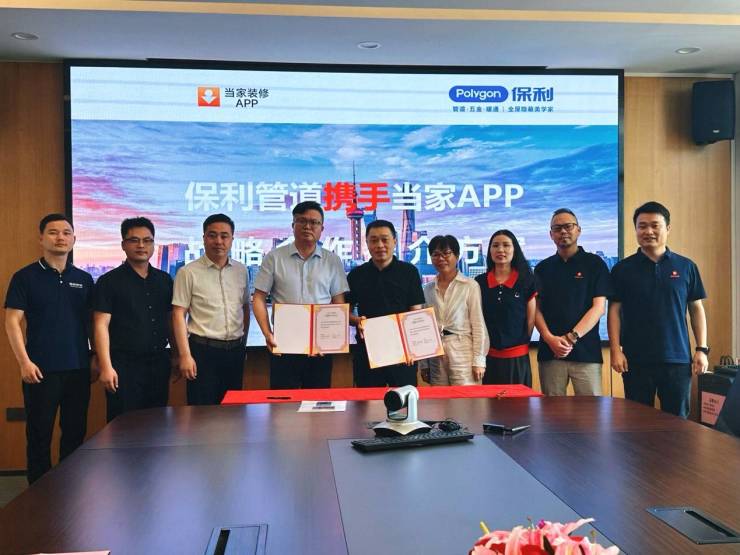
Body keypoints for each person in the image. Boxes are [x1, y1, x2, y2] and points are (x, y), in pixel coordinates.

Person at [4, 213, 95, 483]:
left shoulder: (84, 279)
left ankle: (69, 490)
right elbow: (12, 321)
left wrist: (95, 358)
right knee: (39, 436)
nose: (60, 238)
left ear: (74, 239)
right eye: (53, 232)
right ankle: (38, 493)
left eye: (66, 233)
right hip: (39, 370)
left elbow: (92, 324)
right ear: (41, 239)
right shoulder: (25, 277)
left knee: (75, 434)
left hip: (78, 369)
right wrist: (24, 362)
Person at [609, 201, 708, 418]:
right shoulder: (622, 269)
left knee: (677, 424)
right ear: (636, 229)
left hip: (677, 359)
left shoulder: (686, 267)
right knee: (636, 422)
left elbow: (696, 309)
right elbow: (614, 311)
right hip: (635, 360)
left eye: (655, 225)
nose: (648, 231)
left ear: (667, 228)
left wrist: (702, 349)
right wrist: (615, 349)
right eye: (642, 226)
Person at [253, 201, 348, 389]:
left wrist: (330, 340)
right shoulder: (274, 258)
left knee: (318, 403)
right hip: (283, 346)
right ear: (293, 225)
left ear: (322, 228)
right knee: (283, 403)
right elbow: (258, 298)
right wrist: (267, 333)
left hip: (320, 349)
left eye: (314, 222)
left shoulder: (332, 261)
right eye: (302, 221)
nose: (307, 226)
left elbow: (338, 304)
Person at [93, 217, 174, 422]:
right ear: (123, 245)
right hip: (123, 366)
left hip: (158, 363)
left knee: (158, 424)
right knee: (123, 426)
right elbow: (100, 325)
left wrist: (177, 355)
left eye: (147, 240)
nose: (141, 246)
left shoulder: (164, 280)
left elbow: (171, 321)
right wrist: (106, 366)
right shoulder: (109, 282)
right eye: (134, 240)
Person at [172, 213, 249, 405]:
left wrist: (243, 345)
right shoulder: (188, 272)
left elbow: (245, 308)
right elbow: (178, 314)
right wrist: (185, 355)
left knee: (233, 411)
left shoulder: (241, 270)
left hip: (234, 352)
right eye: (212, 235)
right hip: (202, 352)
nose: (218, 241)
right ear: (204, 238)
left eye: (224, 236)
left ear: (232, 239)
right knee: (201, 412)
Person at [534, 208, 612, 396]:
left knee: (590, 411)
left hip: (586, 354)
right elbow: (535, 310)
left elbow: (599, 308)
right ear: (551, 234)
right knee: (552, 411)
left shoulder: (595, 264)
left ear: (578, 230)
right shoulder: (542, 268)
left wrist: (571, 338)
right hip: (550, 353)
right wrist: (550, 339)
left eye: (568, 226)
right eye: (557, 228)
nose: (563, 231)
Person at [347, 220, 425, 387]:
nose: (380, 245)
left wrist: (412, 348)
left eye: (385, 239)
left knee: (404, 400)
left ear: (394, 241)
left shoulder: (409, 272)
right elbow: (345, 313)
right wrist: (357, 321)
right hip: (367, 351)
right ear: (367, 243)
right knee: (368, 401)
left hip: (402, 352)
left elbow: (415, 314)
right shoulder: (356, 275)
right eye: (374, 240)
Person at [421, 235, 488, 385]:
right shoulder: (428, 289)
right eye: (436, 254)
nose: (441, 258)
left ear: (457, 256)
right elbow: (424, 329)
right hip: (436, 353)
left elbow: (478, 325)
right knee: (440, 398)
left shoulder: (470, 286)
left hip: (463, 351)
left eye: (446, 253)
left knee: (465, 397)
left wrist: (479, 361)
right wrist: (424, 364)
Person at [475, 230, 536, 387]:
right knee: (489, 402)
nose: (500, 250)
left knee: (519, 402)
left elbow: (531, 320)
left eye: (506, 245)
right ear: (490, 251)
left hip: (517, 358)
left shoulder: (526, 280)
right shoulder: (479, 282)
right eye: (495, 246)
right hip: (488, 359)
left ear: (515, 249)